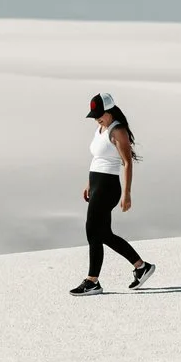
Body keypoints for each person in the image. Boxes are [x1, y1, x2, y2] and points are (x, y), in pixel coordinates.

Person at [73, 91, 155, 295]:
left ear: (110, 110)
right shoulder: (101, 128)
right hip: (97, 184)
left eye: (100, 114)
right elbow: (98, 158)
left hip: (109, 187)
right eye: (95, 115)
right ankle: (141, 266)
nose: (97, 118)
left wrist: (127, 194)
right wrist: (88, 184)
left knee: (92, 229)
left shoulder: (117, 130)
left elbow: (127, 163)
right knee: (103, 233)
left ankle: (92, 281)